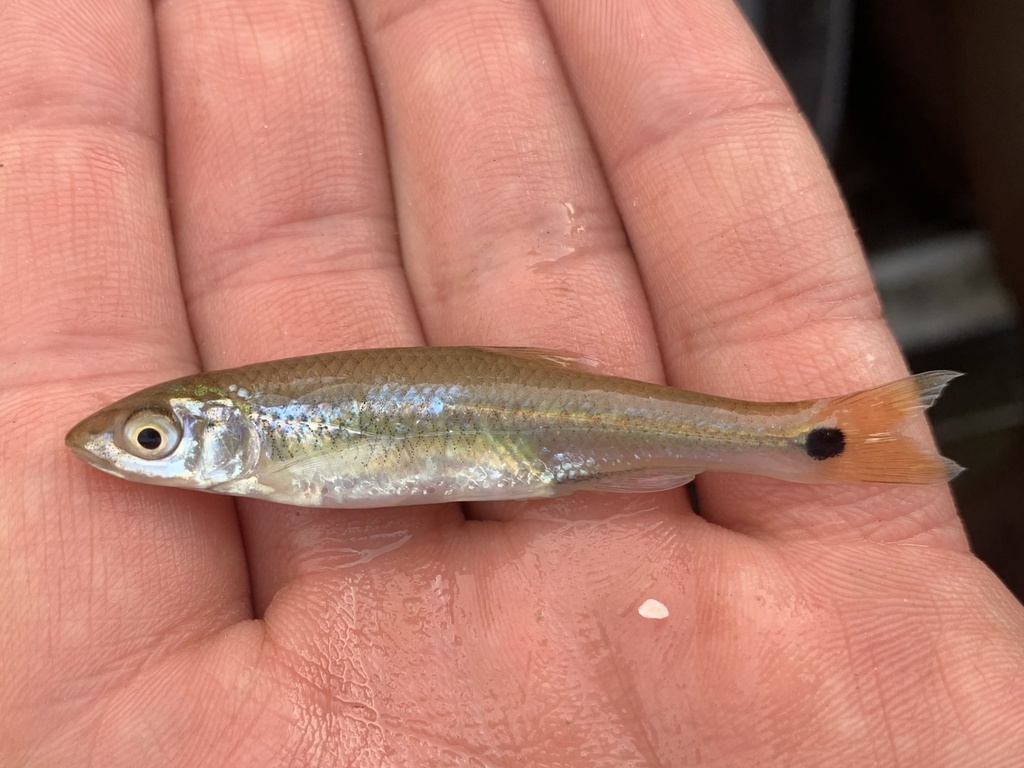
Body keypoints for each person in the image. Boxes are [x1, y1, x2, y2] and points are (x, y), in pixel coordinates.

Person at [2, 1, 1021, 765]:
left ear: (235, 429)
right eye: (155, 439)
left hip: (531, 434)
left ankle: (814, 438)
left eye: (152, 441)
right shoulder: (272, 443)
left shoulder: (278, 445)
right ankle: (817, 439)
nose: (137, 453)